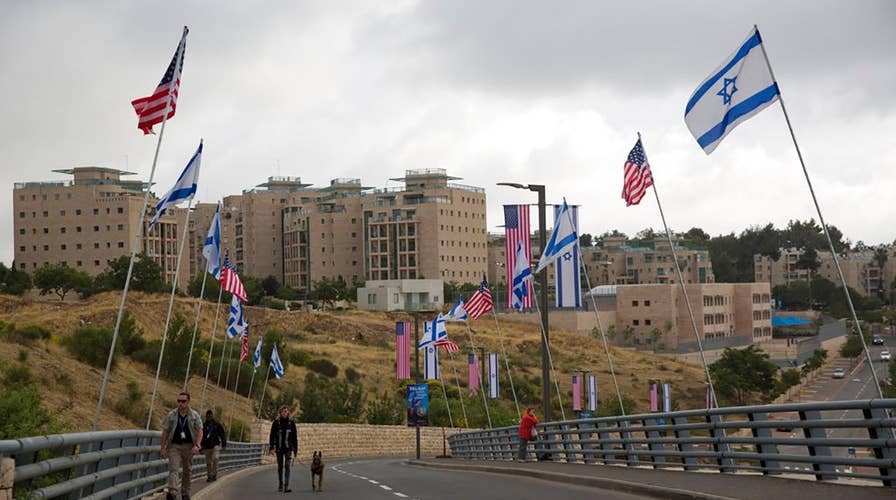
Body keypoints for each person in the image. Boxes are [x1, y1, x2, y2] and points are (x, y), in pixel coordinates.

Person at [160, 392, 203, 500]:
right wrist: (163, 448)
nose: (180, 403)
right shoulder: (172, 415)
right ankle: (173, 492)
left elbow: (200, 430)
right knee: (173, 469)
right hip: (175, 446)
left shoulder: (194, 415)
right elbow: (165, 431)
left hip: (189, 446)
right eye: (178, 401)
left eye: (183, 401)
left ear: (188, 402)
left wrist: (197, 445)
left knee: (187, 470)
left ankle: (185, 493)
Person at [269, 405, 298, 493]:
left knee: (287, 466)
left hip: (288, 448)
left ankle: (286, 486)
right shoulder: (276, 423)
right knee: (280, 467)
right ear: (280, 413)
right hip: (279, 448)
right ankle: (280, 484)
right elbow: (272, 436)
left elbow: (294, 437)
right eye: (283, 411)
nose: (284, 413)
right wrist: (271, 447)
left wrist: (295, 450)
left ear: (288, 412)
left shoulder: (291, 423)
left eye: (286, 411)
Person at [200, 410, 227, 482]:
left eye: (210, 415)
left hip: (215, 445)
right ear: (206, 416)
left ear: (212, 416)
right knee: (208, 462)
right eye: (207, 416)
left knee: (215, 458)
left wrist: (224, 444)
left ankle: (214, 474)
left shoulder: (217, 425)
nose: (209, 417)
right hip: (206, 446)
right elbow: (200, 437)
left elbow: (222, 434)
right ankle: (209, 476)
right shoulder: (203, 426)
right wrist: (200, 447)